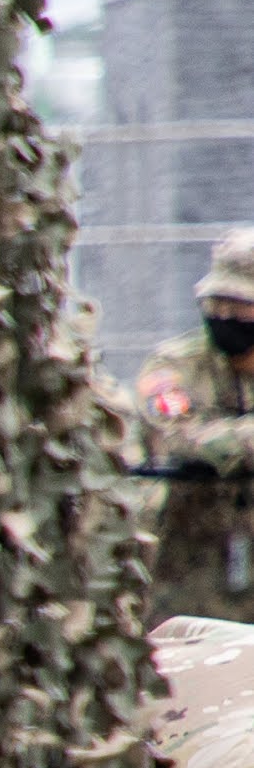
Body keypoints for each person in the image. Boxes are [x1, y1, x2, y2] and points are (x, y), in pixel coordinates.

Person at [136, 231, 254, 624]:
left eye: (242, 308)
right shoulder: (176, 365)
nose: (227, 317)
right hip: (191, 566)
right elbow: (176, 436)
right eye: (217, 304)